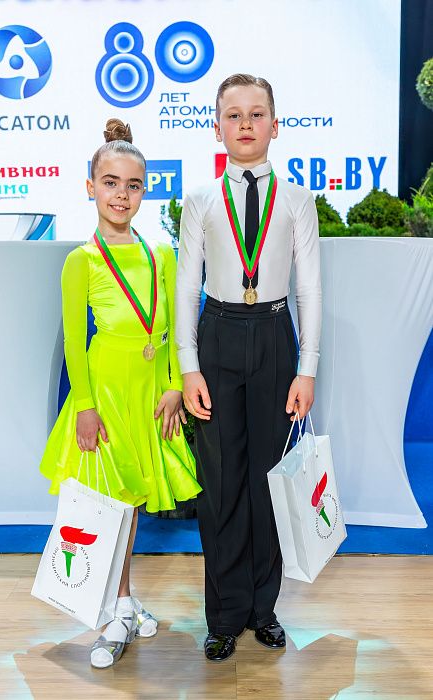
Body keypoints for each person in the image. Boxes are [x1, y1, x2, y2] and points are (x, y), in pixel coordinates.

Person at [40, 118, 201, 669]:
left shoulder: (162, 255)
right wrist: (84, 406)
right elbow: (74, 341)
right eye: (110, 183)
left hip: (151, 395)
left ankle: (124, 603)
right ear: (90, 187)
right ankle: (114, 612)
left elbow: (176, 329)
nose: (121, 195)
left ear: (145, 191)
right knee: (107, 503)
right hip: (105, 395)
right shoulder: (81, 261)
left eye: (132, 185)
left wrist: (175, 386)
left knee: (131, 501)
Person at [176, 74, 321, 662]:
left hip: (275, 337)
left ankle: (264, 609)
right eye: (233, 115)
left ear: (274, 125)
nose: (245, 124)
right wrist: (188, 366)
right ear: (217, 128)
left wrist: (307, 368)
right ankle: (224, 614)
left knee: (269, 480)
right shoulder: (200, 201)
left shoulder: (298, 201)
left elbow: (310, 287)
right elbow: (186, 286)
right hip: (217, 336)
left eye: (256, 114)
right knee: (221, 483)